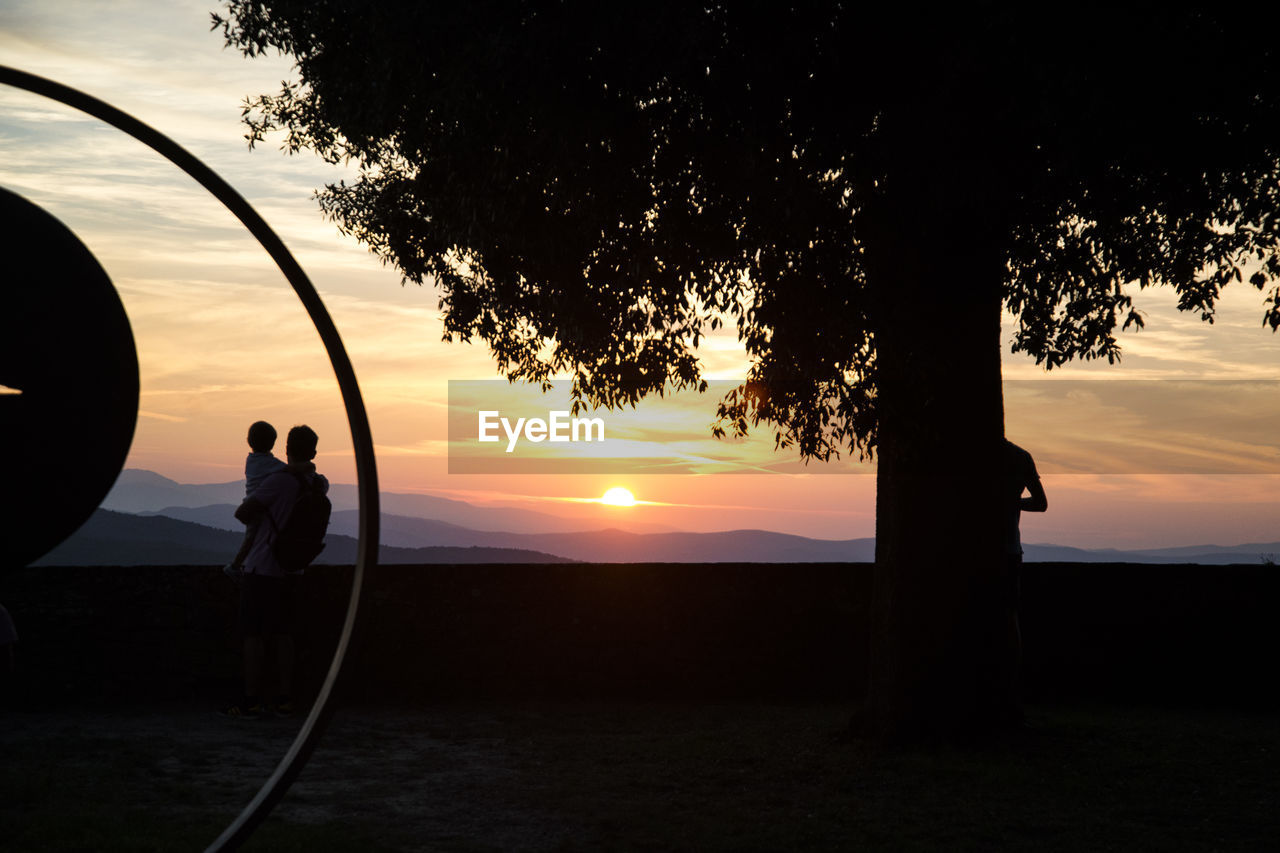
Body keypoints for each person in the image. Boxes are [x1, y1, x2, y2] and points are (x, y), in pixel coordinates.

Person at [221, 425, 328, 719]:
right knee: (285, 635)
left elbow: (243, 513)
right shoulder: (317, 484)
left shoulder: (278, 481)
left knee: (253, 636)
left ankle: (251, 700)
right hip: (294, 570)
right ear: (314, 452)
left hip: (263, 566)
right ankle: (285, 698)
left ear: (286, 448)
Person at [998, 438, 1048, 723]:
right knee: (1009, 619)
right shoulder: (1020, 456)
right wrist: (1013, 502)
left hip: (979, 551)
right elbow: (1040, 503)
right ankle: (1010, 689)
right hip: (1010, 550)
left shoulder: (967, 454)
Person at [223, 421, 287, 578]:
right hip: (256, 506)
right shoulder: (266, 463)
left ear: (249, 441)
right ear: (272, 443)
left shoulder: (252, 460)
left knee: (251, 538)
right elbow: (286, 469)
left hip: (251, 503)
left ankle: (237, 566)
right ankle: (236, 567)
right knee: (251, 539)